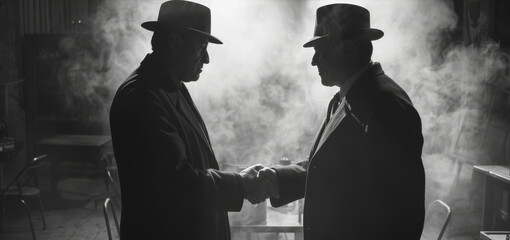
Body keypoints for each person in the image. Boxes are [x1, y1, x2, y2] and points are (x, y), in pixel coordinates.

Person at [255, 4, 426, 240]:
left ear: (347, 49)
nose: (314, 61)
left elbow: (403, 213)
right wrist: (277, 179)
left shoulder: (387, 105)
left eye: (320, 51)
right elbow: (332, 167)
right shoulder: (348, 96)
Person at [109, 1, 266, 239]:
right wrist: (240, 184)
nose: (206, 59)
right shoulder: (141, 97)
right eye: (201, 47)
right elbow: (176, 184)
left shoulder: (170, 87)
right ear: (175, 42)